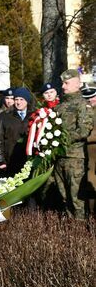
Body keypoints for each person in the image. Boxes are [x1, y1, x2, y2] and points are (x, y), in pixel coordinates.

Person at [53, 69, 93, 219]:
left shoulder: (83, 105)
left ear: (77, 84)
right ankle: (70, 235)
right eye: (62, 83)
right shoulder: (60, 106)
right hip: (59, 157)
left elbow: (83, 131)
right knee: (64, 198)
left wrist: (62, 139)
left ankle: (81, 236)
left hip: (75, 158)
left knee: (77, 199)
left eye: (66, 83)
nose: (63, 86)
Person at [0, 87, 33, 176]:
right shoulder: (5, 116)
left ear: (27, 100)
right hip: (10, 161)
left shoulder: (34, 115)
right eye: (16, 99)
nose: (18, 102)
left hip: (29, 160)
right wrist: (0, 160)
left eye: (21, 99)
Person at [81, 82, 96, 218]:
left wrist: (83, 136)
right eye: (87, 97)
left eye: (93, 96)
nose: (90, 100)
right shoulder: (83, 111)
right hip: (82, 155)